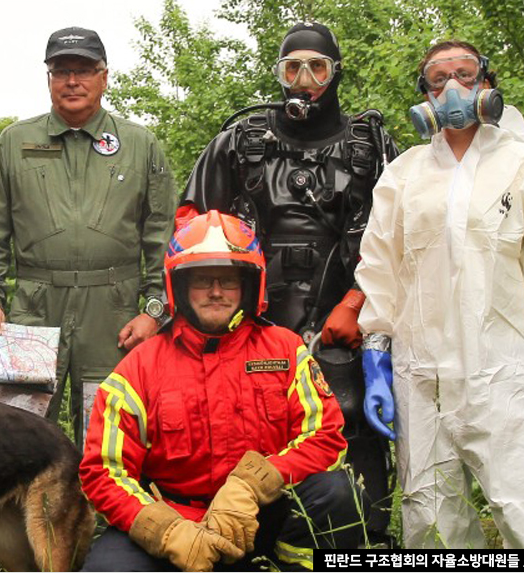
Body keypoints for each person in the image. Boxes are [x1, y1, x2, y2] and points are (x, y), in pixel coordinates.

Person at [355, 40, 524, 549]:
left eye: (464, 75)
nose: (452, 89)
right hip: (420, 377)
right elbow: (380, 268)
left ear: (487, 84)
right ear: (424, 96)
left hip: (501, 372)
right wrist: (376, 359)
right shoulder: (404, 175)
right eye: (438, 81)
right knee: (431, 516)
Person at [178, 21, 399, 543]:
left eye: (316, 66)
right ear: (278, 74)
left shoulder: (370, 146)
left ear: (336, 72)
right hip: (251, 317)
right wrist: (217, 309)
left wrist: (359, 300)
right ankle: (250, 541)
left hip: (347, 316)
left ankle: (362, 542)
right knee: (252, 427)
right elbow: (192, 227)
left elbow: (398, 235)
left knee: (350, 425)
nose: (304, 79)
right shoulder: (239, 142)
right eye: (291, 67)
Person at [79, 211, 362, 572]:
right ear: (178, 286)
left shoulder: (285, 351)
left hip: (261, 517)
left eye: (228, 280)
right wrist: (164, 531)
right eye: (202, 280)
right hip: (176, 521)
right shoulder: (140, 367)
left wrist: (252, 484)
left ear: (248, 285)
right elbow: (103, 471)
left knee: (338, 493)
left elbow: (325, 438)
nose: (216, 291)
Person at [0, 26, 175, 448]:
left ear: (105, 76)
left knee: (108, 431)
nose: (72, 81)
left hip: (114, 312)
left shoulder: (140, 145)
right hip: (32, 306)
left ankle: (106, 516)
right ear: (48, 78)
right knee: (14, 431)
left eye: (84, 70)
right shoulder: (15, 142)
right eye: (61, 71)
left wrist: (154, 311)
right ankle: (15, 516)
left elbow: (162, 234)